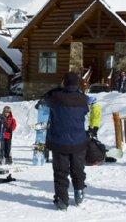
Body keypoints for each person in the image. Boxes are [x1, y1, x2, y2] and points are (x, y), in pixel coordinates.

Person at [45, 72, 89, 211]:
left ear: (64, 82)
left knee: (60, 172)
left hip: (60, 142)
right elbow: (85, 111)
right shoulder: (83, 99)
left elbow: (46, 98)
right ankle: (79, 193)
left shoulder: (56, 97)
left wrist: (57, 89)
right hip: (79, 142)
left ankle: (62, 201)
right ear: (77, 83)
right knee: (78, 169)